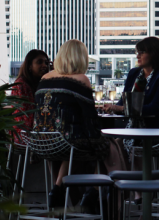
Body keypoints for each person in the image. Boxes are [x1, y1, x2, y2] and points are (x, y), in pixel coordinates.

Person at [33, 40, 128, 209]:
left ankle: (57, 190)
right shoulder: (81, 79)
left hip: (41, 142)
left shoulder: (44, 78)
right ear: (80, 58)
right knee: (109, 146)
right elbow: (90, 119)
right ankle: (93, 192)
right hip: (68, 143)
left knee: (72, 148)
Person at [102, 37, 159, 130]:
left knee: (116, 142)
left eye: (142, 52)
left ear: (154, 54)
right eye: (137, 52)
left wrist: (120, 108)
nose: (138, 56)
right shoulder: (134, 73)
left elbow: (153, 109)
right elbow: (124, 101)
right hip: (137, 129)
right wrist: (110, 108)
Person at [11, 49, 49, 143]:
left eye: (46, 62)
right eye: (39, 62)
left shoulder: (38, 84)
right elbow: (28, 118)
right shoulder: (22, 85)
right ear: (29, 66)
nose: (44, 65)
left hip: (29, 134)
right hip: (24, 135)